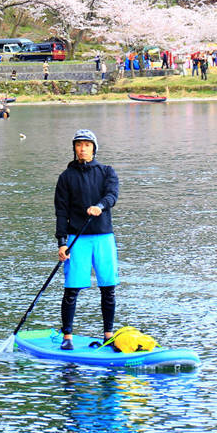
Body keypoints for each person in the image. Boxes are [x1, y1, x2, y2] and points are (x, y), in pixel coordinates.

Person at [55, 129, 119, 350]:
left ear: (94, 148)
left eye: (87, 145)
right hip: (77, 238)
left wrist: (99, 206)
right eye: (79, 144)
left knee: (108, 288)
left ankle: (108, 335)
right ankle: (68, 337)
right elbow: (61, 212)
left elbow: (112, 196)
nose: (83, 148)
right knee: (71, 289)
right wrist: (62, 243)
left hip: (103, 238)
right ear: (74, 148)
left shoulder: (107, 172)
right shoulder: (66, 177)